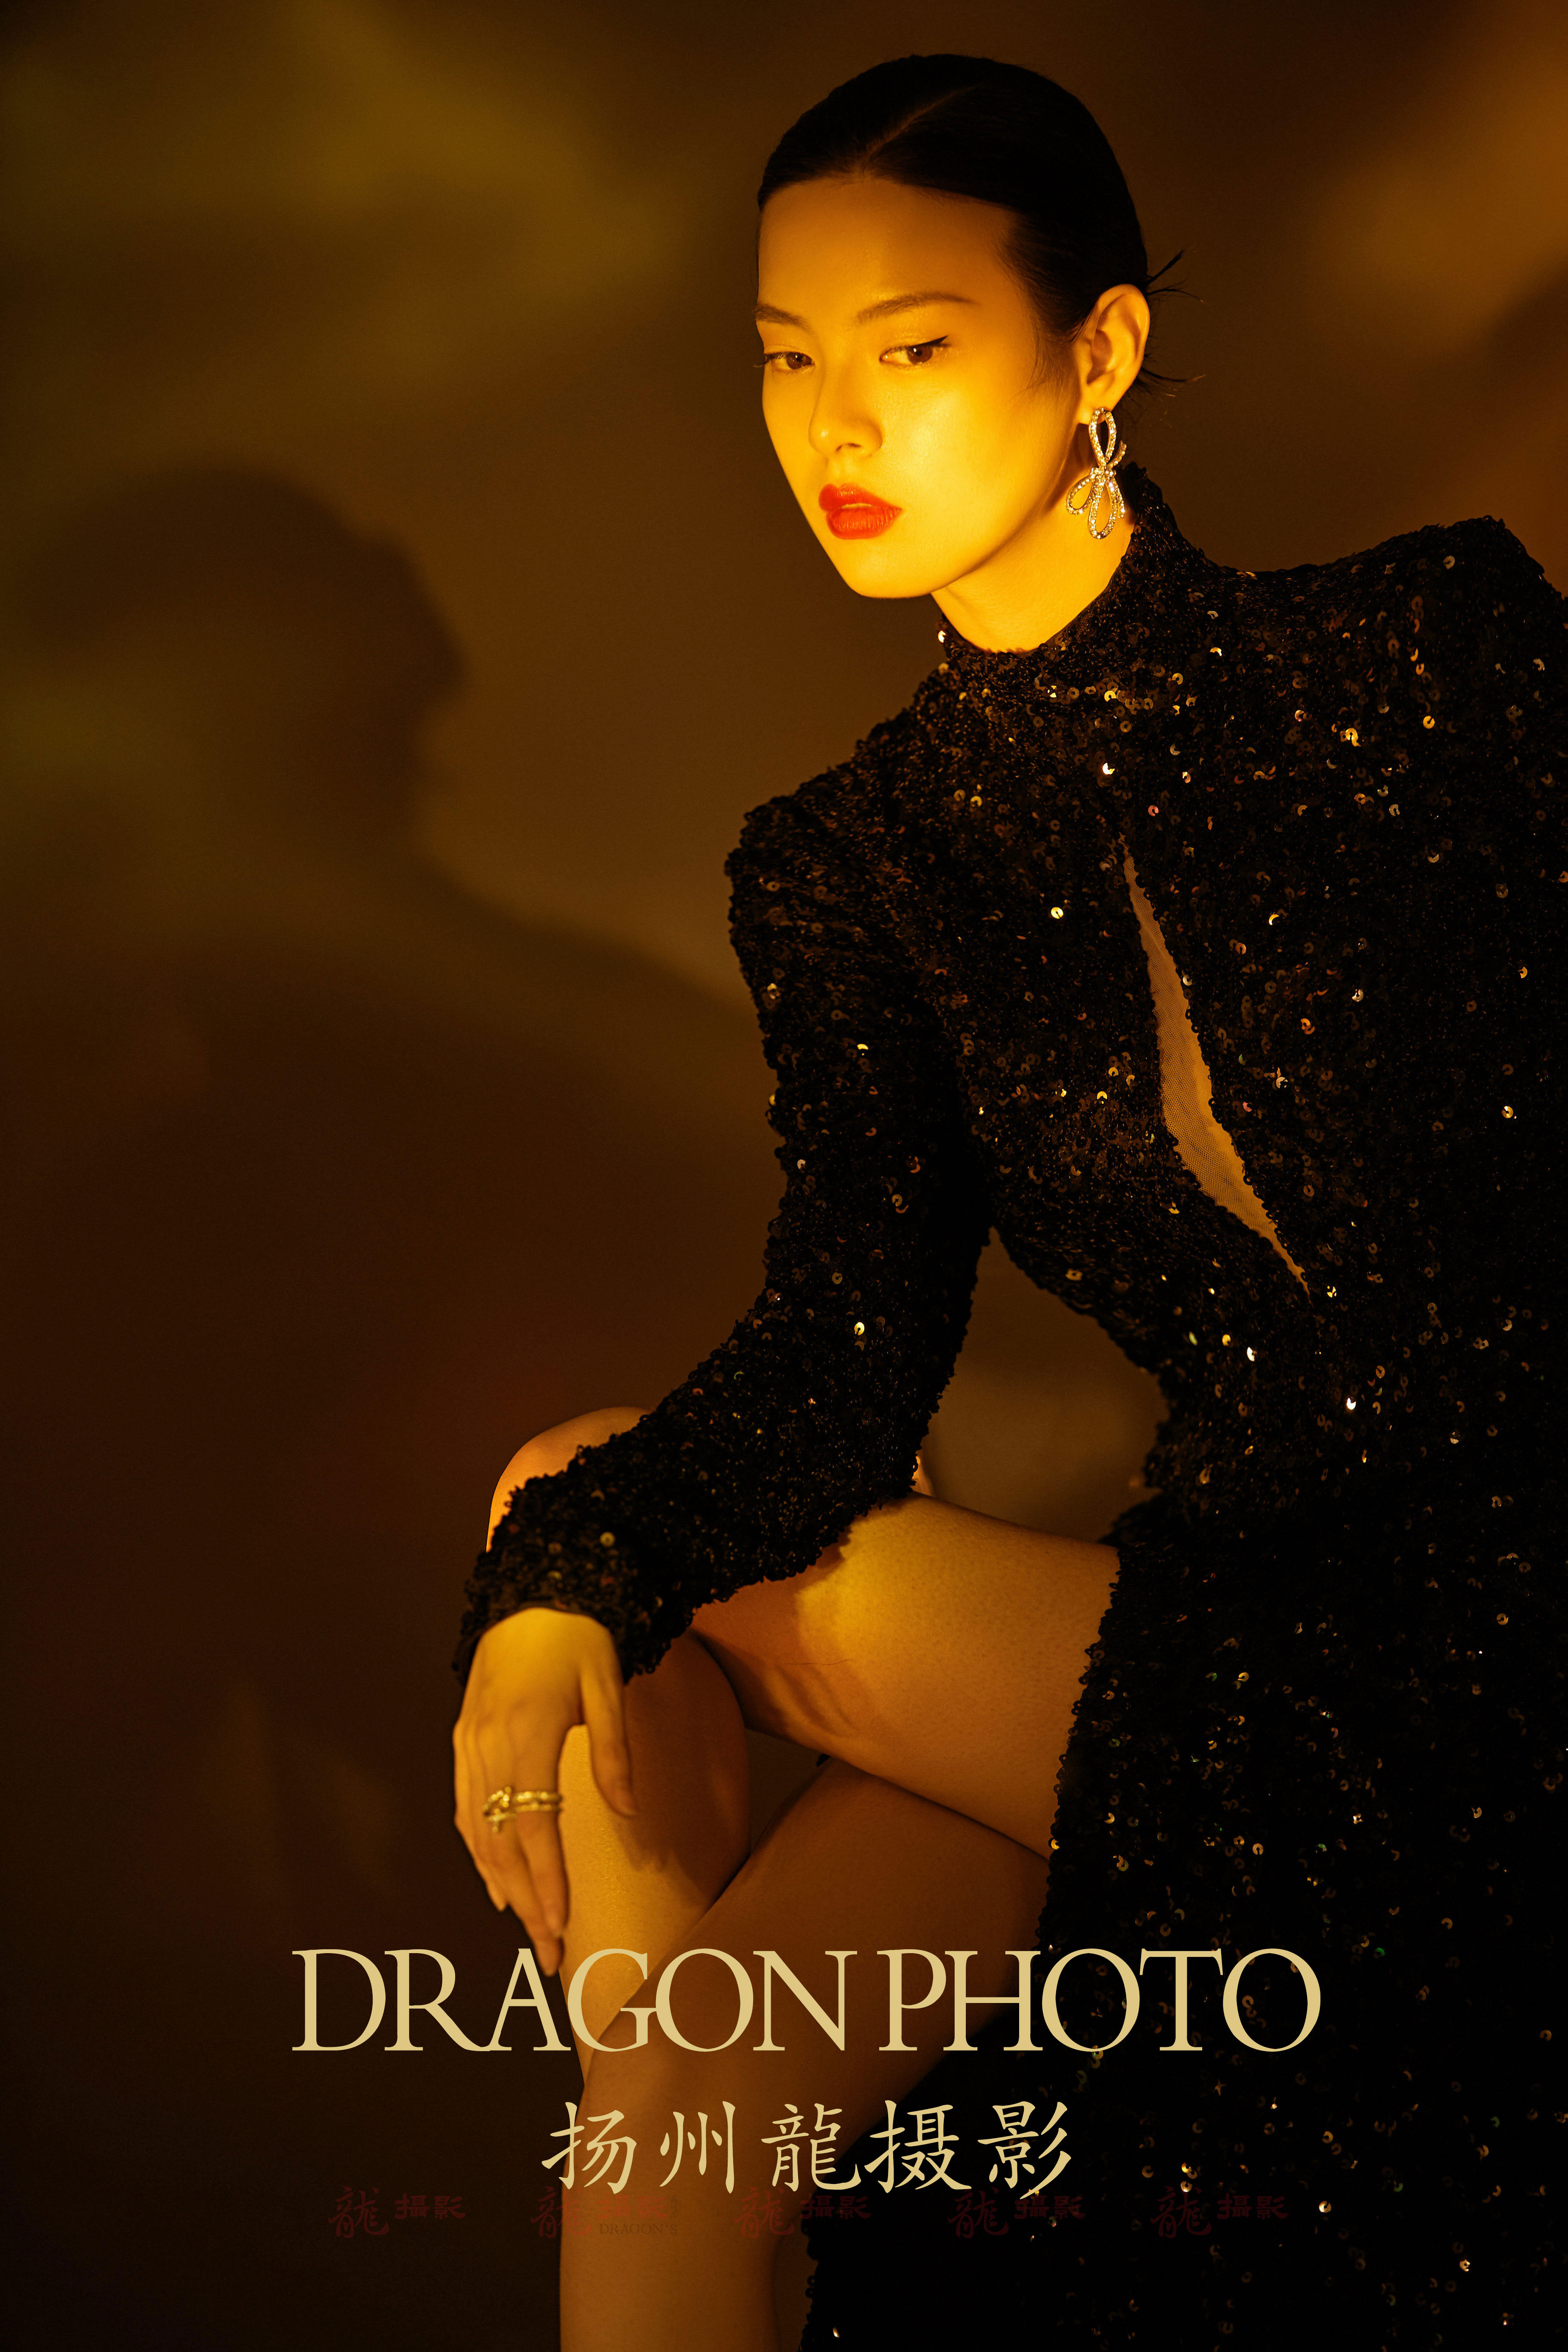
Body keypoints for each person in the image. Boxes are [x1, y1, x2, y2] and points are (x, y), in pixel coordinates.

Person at [451, 55, 1563, 2350]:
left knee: (581, 1514)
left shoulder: (1431, 649)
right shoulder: (849, 867)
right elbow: (848, 1345)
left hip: (1503, 1628)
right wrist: (562, 1574)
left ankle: (643, 1979)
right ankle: (643, 2018)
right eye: (786, 358)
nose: (834, 423)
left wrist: (573, 1554)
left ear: (1103, 349)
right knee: (675, 2129)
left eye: (913, 345)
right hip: (1214, 1624)